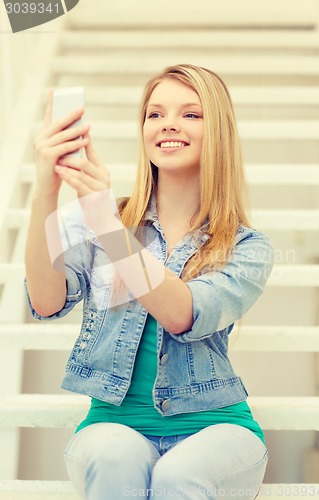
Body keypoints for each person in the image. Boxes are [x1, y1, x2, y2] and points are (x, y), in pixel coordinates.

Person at [25, 64, 274, 499]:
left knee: (177, 478)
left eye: (191, 114)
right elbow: (45, 301)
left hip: (216, 429)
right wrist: (45, 188)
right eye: (155, 114)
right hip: (111, 425)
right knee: (114, 458)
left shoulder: (246, 246)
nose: (169, 124)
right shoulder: (110, 222)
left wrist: (103, 220)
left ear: (218, 131)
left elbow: (182, 313)